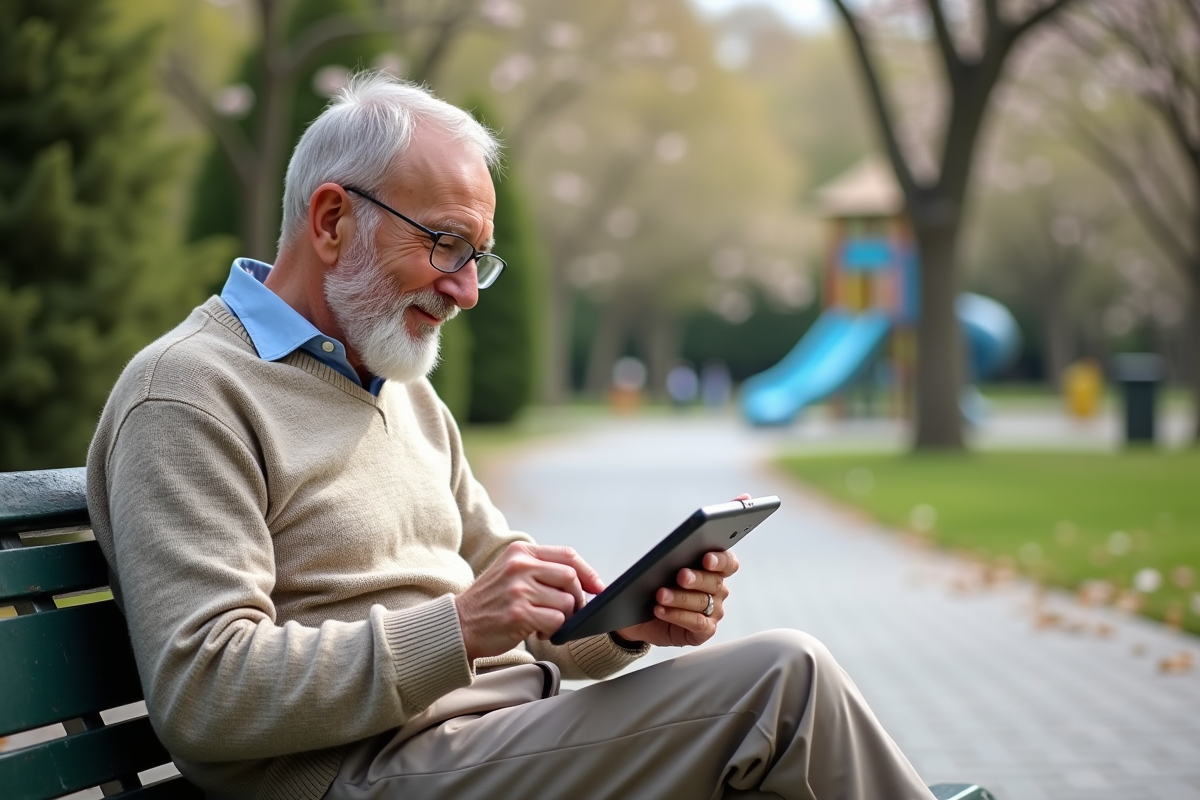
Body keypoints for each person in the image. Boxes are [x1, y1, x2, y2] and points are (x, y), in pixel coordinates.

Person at [87, 73, 935, 800]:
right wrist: (457, 629)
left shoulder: (402, 393)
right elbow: (203, 690)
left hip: (488, 737)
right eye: (445, 245)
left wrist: (631, 621)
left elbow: (521, 604)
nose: (466, 290)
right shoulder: (189, 393)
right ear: (333, 218)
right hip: (362, 773)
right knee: (782, 684)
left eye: (479, 257)